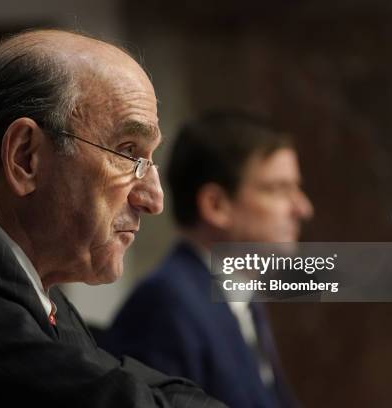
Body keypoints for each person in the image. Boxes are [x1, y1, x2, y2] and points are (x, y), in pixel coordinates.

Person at [0, 29, 226, 407]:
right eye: (128, 153)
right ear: (25, 157)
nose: (153, 199)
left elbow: (121, 379)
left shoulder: (28, 281)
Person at [103, 110, 314, 408]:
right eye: (279, 189)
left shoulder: (243, 299)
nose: (302, 208)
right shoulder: (166, 304)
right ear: (216, 205)